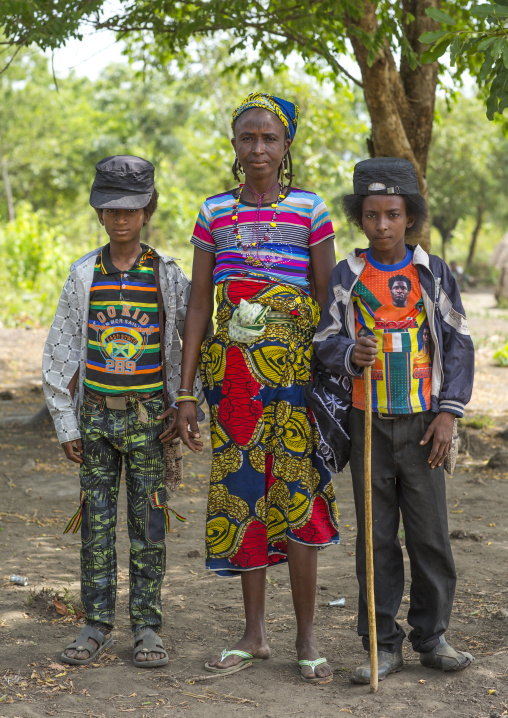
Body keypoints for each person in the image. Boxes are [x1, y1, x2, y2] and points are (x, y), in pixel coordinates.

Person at [175, 92, 340, 684]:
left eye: (269, 137)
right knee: (245, 495)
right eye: (248, 137)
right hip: (235, 383)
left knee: (297, 496)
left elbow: (328, 303)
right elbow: (199, 303)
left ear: (286, 144)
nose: (259, 148)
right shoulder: (213, 213)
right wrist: (187, 390)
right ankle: (253, 634)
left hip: (296, 380)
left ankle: (306, 635)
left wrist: (327, 385)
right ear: (235, 145)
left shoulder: (312, 211)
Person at [313, 157, 475, 683]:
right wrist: (348, 353)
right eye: (372, 214)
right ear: (360, 218)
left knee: (429, 535)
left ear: (411, 218)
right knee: (377, 538)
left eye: (393, 214)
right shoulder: (348, 275)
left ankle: (433, 636)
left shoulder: (433, 273)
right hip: (369, 426)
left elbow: (458, 345)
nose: (382, 225)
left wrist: (448, 414)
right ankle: (382, 645)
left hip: (424, 425)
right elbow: (324, 341)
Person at [42, 155, 196, 668]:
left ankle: (148, 626)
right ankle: (96, 622)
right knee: (97, 525)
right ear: (99, 213)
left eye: (131, 209)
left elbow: (185, 343)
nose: (121, 219)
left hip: (151, 421)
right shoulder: (84, 274)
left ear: (148, 210)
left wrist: (182, 408)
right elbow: (60, 352)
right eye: (111, 209)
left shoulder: (167, 273)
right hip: (96, 421)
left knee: (150, 524)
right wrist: (66, 420)